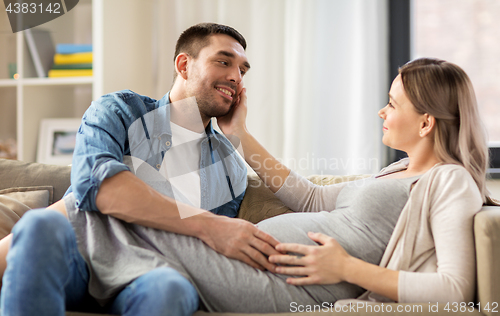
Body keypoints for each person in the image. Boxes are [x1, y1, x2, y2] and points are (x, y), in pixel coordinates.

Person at [61, 57, 492, 313]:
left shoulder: (450, 181)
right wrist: (239, 136)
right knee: (106, 217)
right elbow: (310, 196)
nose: (382, 111)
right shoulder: (394, 172)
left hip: (286, 282)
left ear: (426, 122)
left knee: (102, 215)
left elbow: (454, 292)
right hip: (259, 261)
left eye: (393, 103)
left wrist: (347, 269)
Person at [0, 23, 281, 316]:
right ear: (184, 66)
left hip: (150, 274)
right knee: (39, 225)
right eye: (223, 62)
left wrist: (241, 133)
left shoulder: (230, 167)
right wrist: (209, 225)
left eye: (242, 70)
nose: (235, 76)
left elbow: (208, 256)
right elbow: (98, 187)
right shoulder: (119, 110)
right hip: (78, 256)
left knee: (170, 289)